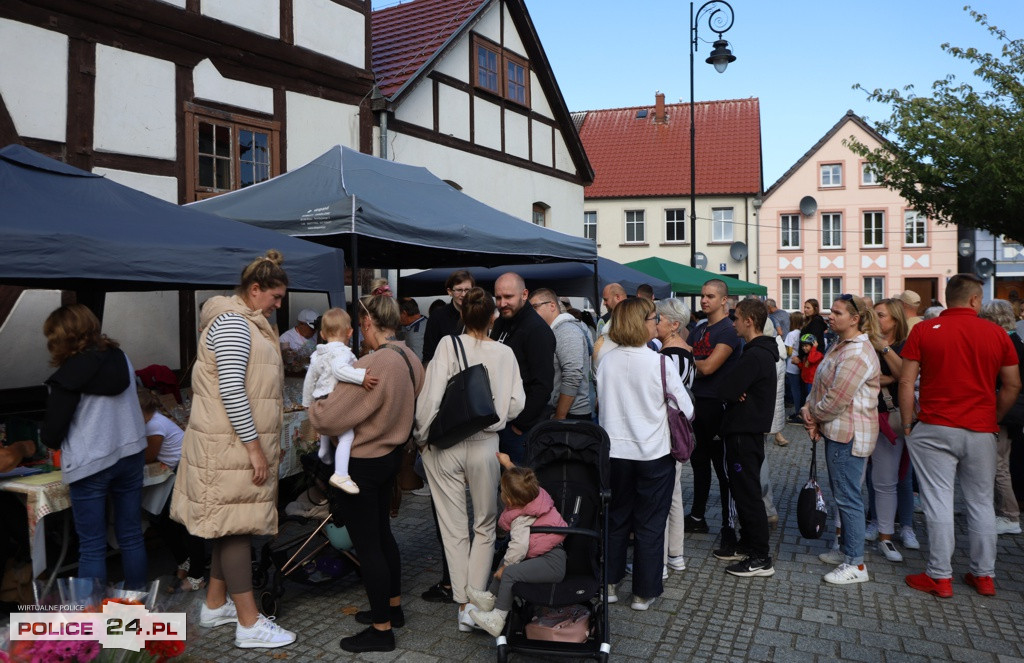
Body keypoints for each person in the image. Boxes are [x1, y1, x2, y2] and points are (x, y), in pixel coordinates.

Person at [170, 250, 296, 648]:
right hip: (231, 448)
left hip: (228, 446)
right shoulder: (233, 325)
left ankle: (214, 603)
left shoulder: (245, 323)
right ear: (254, 290)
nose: (279, 306)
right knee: (238, 530)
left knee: (231, 525)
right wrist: (255, 449)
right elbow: (233, 392)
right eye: (275, 297)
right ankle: (249, 623)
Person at [309, 294, 424, 653]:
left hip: (364, 462)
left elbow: (329, 417)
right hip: (391, 455)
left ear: (370, 324)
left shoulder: (375, 363)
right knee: (383, 536)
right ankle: (392, 607)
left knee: (368, 544)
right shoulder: (410, 358)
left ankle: (381, 629)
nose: (360, 331)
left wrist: (314, 401)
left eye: (361, 325)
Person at [901, 275, 1020, 598]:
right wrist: (993, 416)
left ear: (947, 297)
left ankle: (940, 576)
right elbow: (1012, 385)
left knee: (938, 501)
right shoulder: (997, 333)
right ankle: (984, 575)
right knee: (981, 503)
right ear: (974, 300)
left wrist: (908, 424)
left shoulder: (925, 329)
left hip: (935, 426)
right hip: (980, 428)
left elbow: (905, 381)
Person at [414, 287, 525, 634]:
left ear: (462, 315)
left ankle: (462, 604)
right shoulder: (506, 352)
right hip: (486, 443)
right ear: (492, 316)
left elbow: (431, 399)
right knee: (485, 524)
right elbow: (517, 402)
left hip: (446, 442)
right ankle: (473, 605)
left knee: (453, 527)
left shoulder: (449, 344)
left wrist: (421, 437)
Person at [40, 304, 148, 589]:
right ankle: (138, 607)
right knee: (131, 535)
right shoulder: (120, 357)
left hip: (91, 463)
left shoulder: (66, 377)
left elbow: (52, 434)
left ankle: (94, 621)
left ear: (62, 337)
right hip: (130, 452)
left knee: (92, 546)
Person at [599, 298, 693, 611]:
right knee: (650, 523)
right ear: (642, 323)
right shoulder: (660, 363)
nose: (656, 322)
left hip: (614, 453)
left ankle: (609, 583)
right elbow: (687, 410)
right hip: (653, 453)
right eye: (653, 318)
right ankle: (643, 592)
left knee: (616, 519)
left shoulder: (606, 361)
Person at [801, 293, 880, 586]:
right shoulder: (840, 344)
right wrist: (809, 409)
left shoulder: (857, 352)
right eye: (831, 311)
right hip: (838, 431)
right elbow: (822, 383)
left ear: (855, 319)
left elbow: (837, 398)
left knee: (848, 499)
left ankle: (856, 564)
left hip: (849, 435)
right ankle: (848, 549)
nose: (830, 316)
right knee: (844, 495)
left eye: (837, 312)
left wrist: (813, 416)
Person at [713, 299, 779, 577]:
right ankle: (749, 543)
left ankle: (760, 557)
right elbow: (730, 387)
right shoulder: (757, 351)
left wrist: (733, 389)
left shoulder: (755, 355)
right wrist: (733, 388)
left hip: (744, 431)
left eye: (736, 318)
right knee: (744, 492)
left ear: (749, 321)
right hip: (744, 430)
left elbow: (724, 387)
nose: (733, 322)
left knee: (748, 494)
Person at [466, 459, 567, 637]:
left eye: (503, 492)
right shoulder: (536, 495)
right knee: (507, 558)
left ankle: (497, 618)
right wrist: (508, 464)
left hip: (552, 563)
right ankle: (491, 597)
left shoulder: (522, 519)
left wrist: (505, 568)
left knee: (509, 570)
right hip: (546, 556)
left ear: (510, 500)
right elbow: (521, 482)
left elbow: (519, 548)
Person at [684, 279, 742, 540]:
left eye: (709, 296)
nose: (703, 300)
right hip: (698, 404)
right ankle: (697, 516)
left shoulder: (728, 330)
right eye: (702, 295)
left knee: (723, 468)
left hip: (718, 407)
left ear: (723, 301)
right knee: (698, 464)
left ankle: (729, 526)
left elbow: (708, 367)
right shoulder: (699, 329)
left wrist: (685, 353)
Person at [864, 299, 920, 562]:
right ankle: (877, 521)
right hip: (869, 413)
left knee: (902, 476)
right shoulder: (866, 342)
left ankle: (906, 526)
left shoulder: (903, 345)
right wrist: (887, 378)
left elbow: (903, 374)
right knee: (874, 475)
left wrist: (883, 348)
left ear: (896, 320)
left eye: (881, 316)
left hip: (896, 415)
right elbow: (862, 375)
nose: (876, 320)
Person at [302, 308, 380, 494]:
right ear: (350, 332)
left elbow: (309, 380)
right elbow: (339, 370)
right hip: (335, 398)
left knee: (328, 428)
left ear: (321, 334)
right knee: (347, 436)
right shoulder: (343, 353)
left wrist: (307, 403)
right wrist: (361, 377)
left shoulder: (318, 354)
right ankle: (341, 474)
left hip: (321, 398)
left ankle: (324, 450)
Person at [137, 389, 207, 593]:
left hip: (185, 472)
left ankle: (196, 574)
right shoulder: (153, 420)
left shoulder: (154, 425)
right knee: (162, 519)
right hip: (178, 471)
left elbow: (148, 457)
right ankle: (185, 561)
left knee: (186, 523)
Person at [491, 273, 556, 465]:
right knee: (504, 488)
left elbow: (543, 384)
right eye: (498, 297)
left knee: (520, 490)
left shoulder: (536, 330)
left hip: (521, 430)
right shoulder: (503, 321)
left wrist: (520, 424)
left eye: (508, 297)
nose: (502, 303)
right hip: (502, 423)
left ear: (524, 294)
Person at [655, 298, 695, 575]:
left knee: (663, 497)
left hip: (667, 432)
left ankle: (662, 562)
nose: (654, 323)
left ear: (673, 324)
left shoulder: (669, 356)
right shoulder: (686, 353)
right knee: (674, 496)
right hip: (678, 430)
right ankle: (676, 555)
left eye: (658, 319)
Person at [978, 300, 1023, 536]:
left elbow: (1008, 383)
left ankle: (1009, 515)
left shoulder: (1006, 343)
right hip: (1012, 413)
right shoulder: (1015, 340)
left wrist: (996, 414)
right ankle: (1002, 511)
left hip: (1005, 413)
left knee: (999, 465)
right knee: (1000, 462)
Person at [528, 288, 592, 421]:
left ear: (552, 305)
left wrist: (559, 416)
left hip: (570, 415)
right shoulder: (554, 331)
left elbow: (573, 374)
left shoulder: (566, 330)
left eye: (535, 307)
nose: (531, 313)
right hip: (561, 413)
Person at [423, 270, 475, 363]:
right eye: (459, 290)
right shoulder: (437, 316)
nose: (463, 294)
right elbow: (428, 355)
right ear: (449, 291)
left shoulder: (478, 314)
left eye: (467, 290)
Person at [784, 312, 805, 416]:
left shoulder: (791, 334)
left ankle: (798, 412)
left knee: (795, 389)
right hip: (801, 363)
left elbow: (788, 351)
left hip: (792, 364)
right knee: (800, 389)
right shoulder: (801, 332)